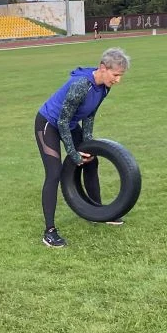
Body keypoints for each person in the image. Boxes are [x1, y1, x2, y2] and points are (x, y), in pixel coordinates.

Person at [34, 47, 130, 248]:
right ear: (103, 68)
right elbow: (61, 122)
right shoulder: (81, 85)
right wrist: (73, 153)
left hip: (68, 124)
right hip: (48, 124)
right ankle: (49, 232)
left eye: (120, 76)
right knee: (54, 173)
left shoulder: (104, 87)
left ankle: (99, 213)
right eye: (115, 75)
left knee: (91, 161)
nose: (118, 80)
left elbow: (90, 114)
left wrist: (87, 143)